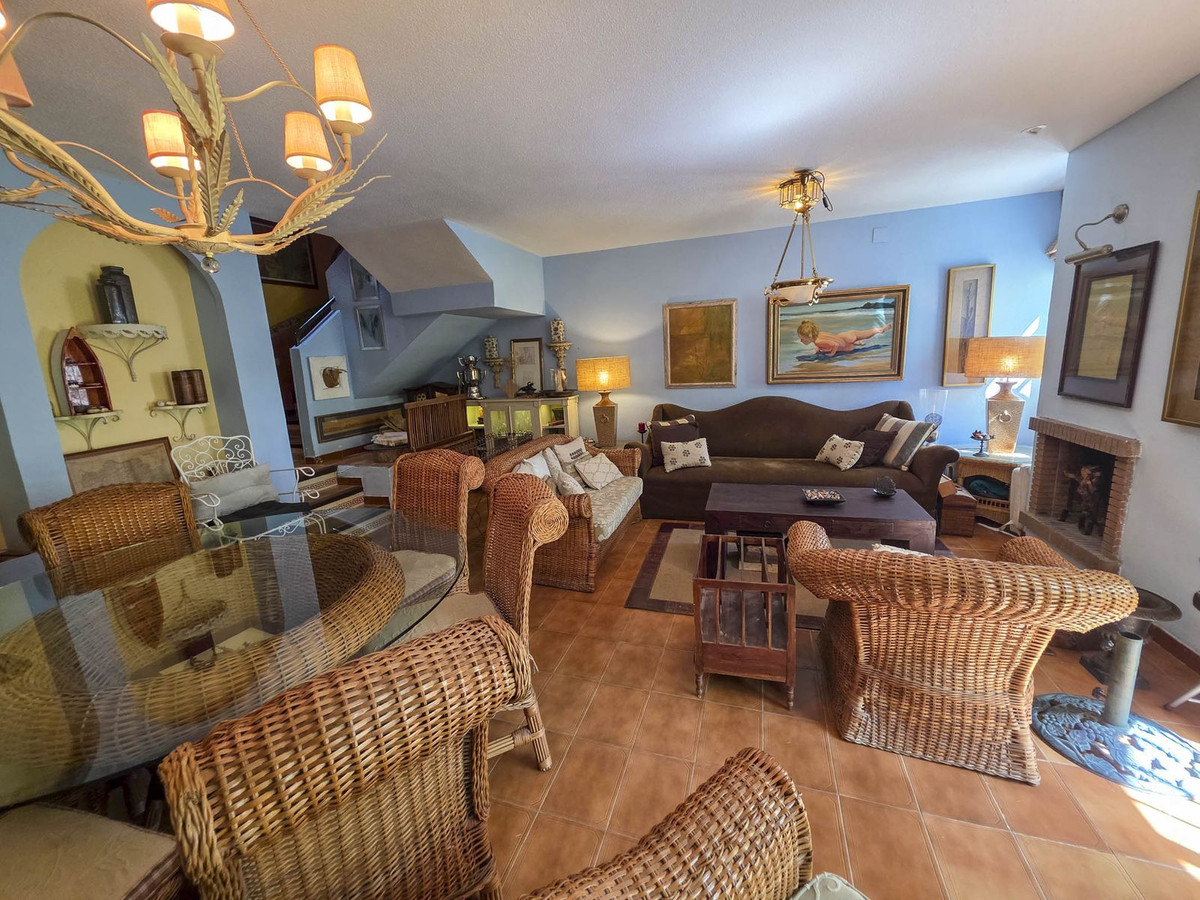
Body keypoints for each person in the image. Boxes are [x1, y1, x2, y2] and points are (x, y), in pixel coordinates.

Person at [796, 319, 892, 357]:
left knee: (863, 337)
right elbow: (826, 342)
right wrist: (816, 350)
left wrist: (831, 354)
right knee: (865, 333)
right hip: (845, 336)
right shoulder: (819, 335)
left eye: (802, 339)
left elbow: (835, 344)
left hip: (846, 344)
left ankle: (879, 331)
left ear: (809, 337)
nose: (801, 341)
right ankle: (876, 331)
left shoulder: (818, 342)